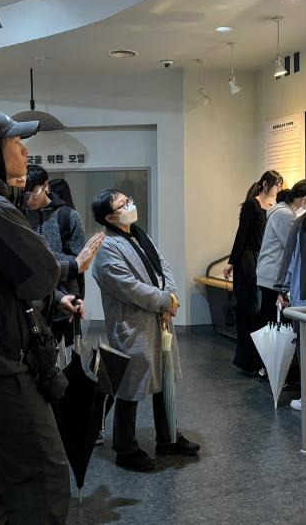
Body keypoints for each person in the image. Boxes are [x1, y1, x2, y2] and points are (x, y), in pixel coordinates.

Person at [0, 110, 104, 525]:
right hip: (2, 360)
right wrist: (71, 268)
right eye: (16, 143)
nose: (25, 152)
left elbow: (5, 279)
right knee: (44, 473)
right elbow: (39, 274)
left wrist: (53, 297)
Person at [91, 189, 200, 471]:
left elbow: (163, 268)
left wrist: (169, 298)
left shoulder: (139, 235)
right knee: (131, 385)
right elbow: (127, 287)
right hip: (133, 324)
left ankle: (168, 437)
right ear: (109, 217)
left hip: (159, 317)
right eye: (122, 204)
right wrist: (164, 300)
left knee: (166, 378)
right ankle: (125, 449)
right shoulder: (106, 247)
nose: (130, 205)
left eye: (128, 200)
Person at [224, 170, 283, 376]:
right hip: (249, 261)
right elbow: (242, 234)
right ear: (266, 184)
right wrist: (232, 262)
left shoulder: (275, 207)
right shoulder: (252, 205)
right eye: (277, 184)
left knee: (262, 311)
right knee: (250, 310)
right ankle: (248, 360)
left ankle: (261, 359)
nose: (279, 189)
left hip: (265, 260)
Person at [279, 191, 306, 414]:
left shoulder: (303, 222)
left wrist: (282, 289)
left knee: (305, 345)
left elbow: (290, 258)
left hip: (304, 296)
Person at [256, 180, 306, 327]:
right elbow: (291, 245)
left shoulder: (280, 210)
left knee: (269, 317)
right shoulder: (286, 214)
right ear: (305, 199)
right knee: (273, 320)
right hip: (273, 273)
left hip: (268, 271)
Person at [24, 167, 86, 299]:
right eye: (24, 193)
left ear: (45, 185)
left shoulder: (69, 216)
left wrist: (40, 254)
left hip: (66, 296)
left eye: (33, 192)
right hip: (29, 295)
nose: (29, 199)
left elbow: (80, 261)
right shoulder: (18, 216)